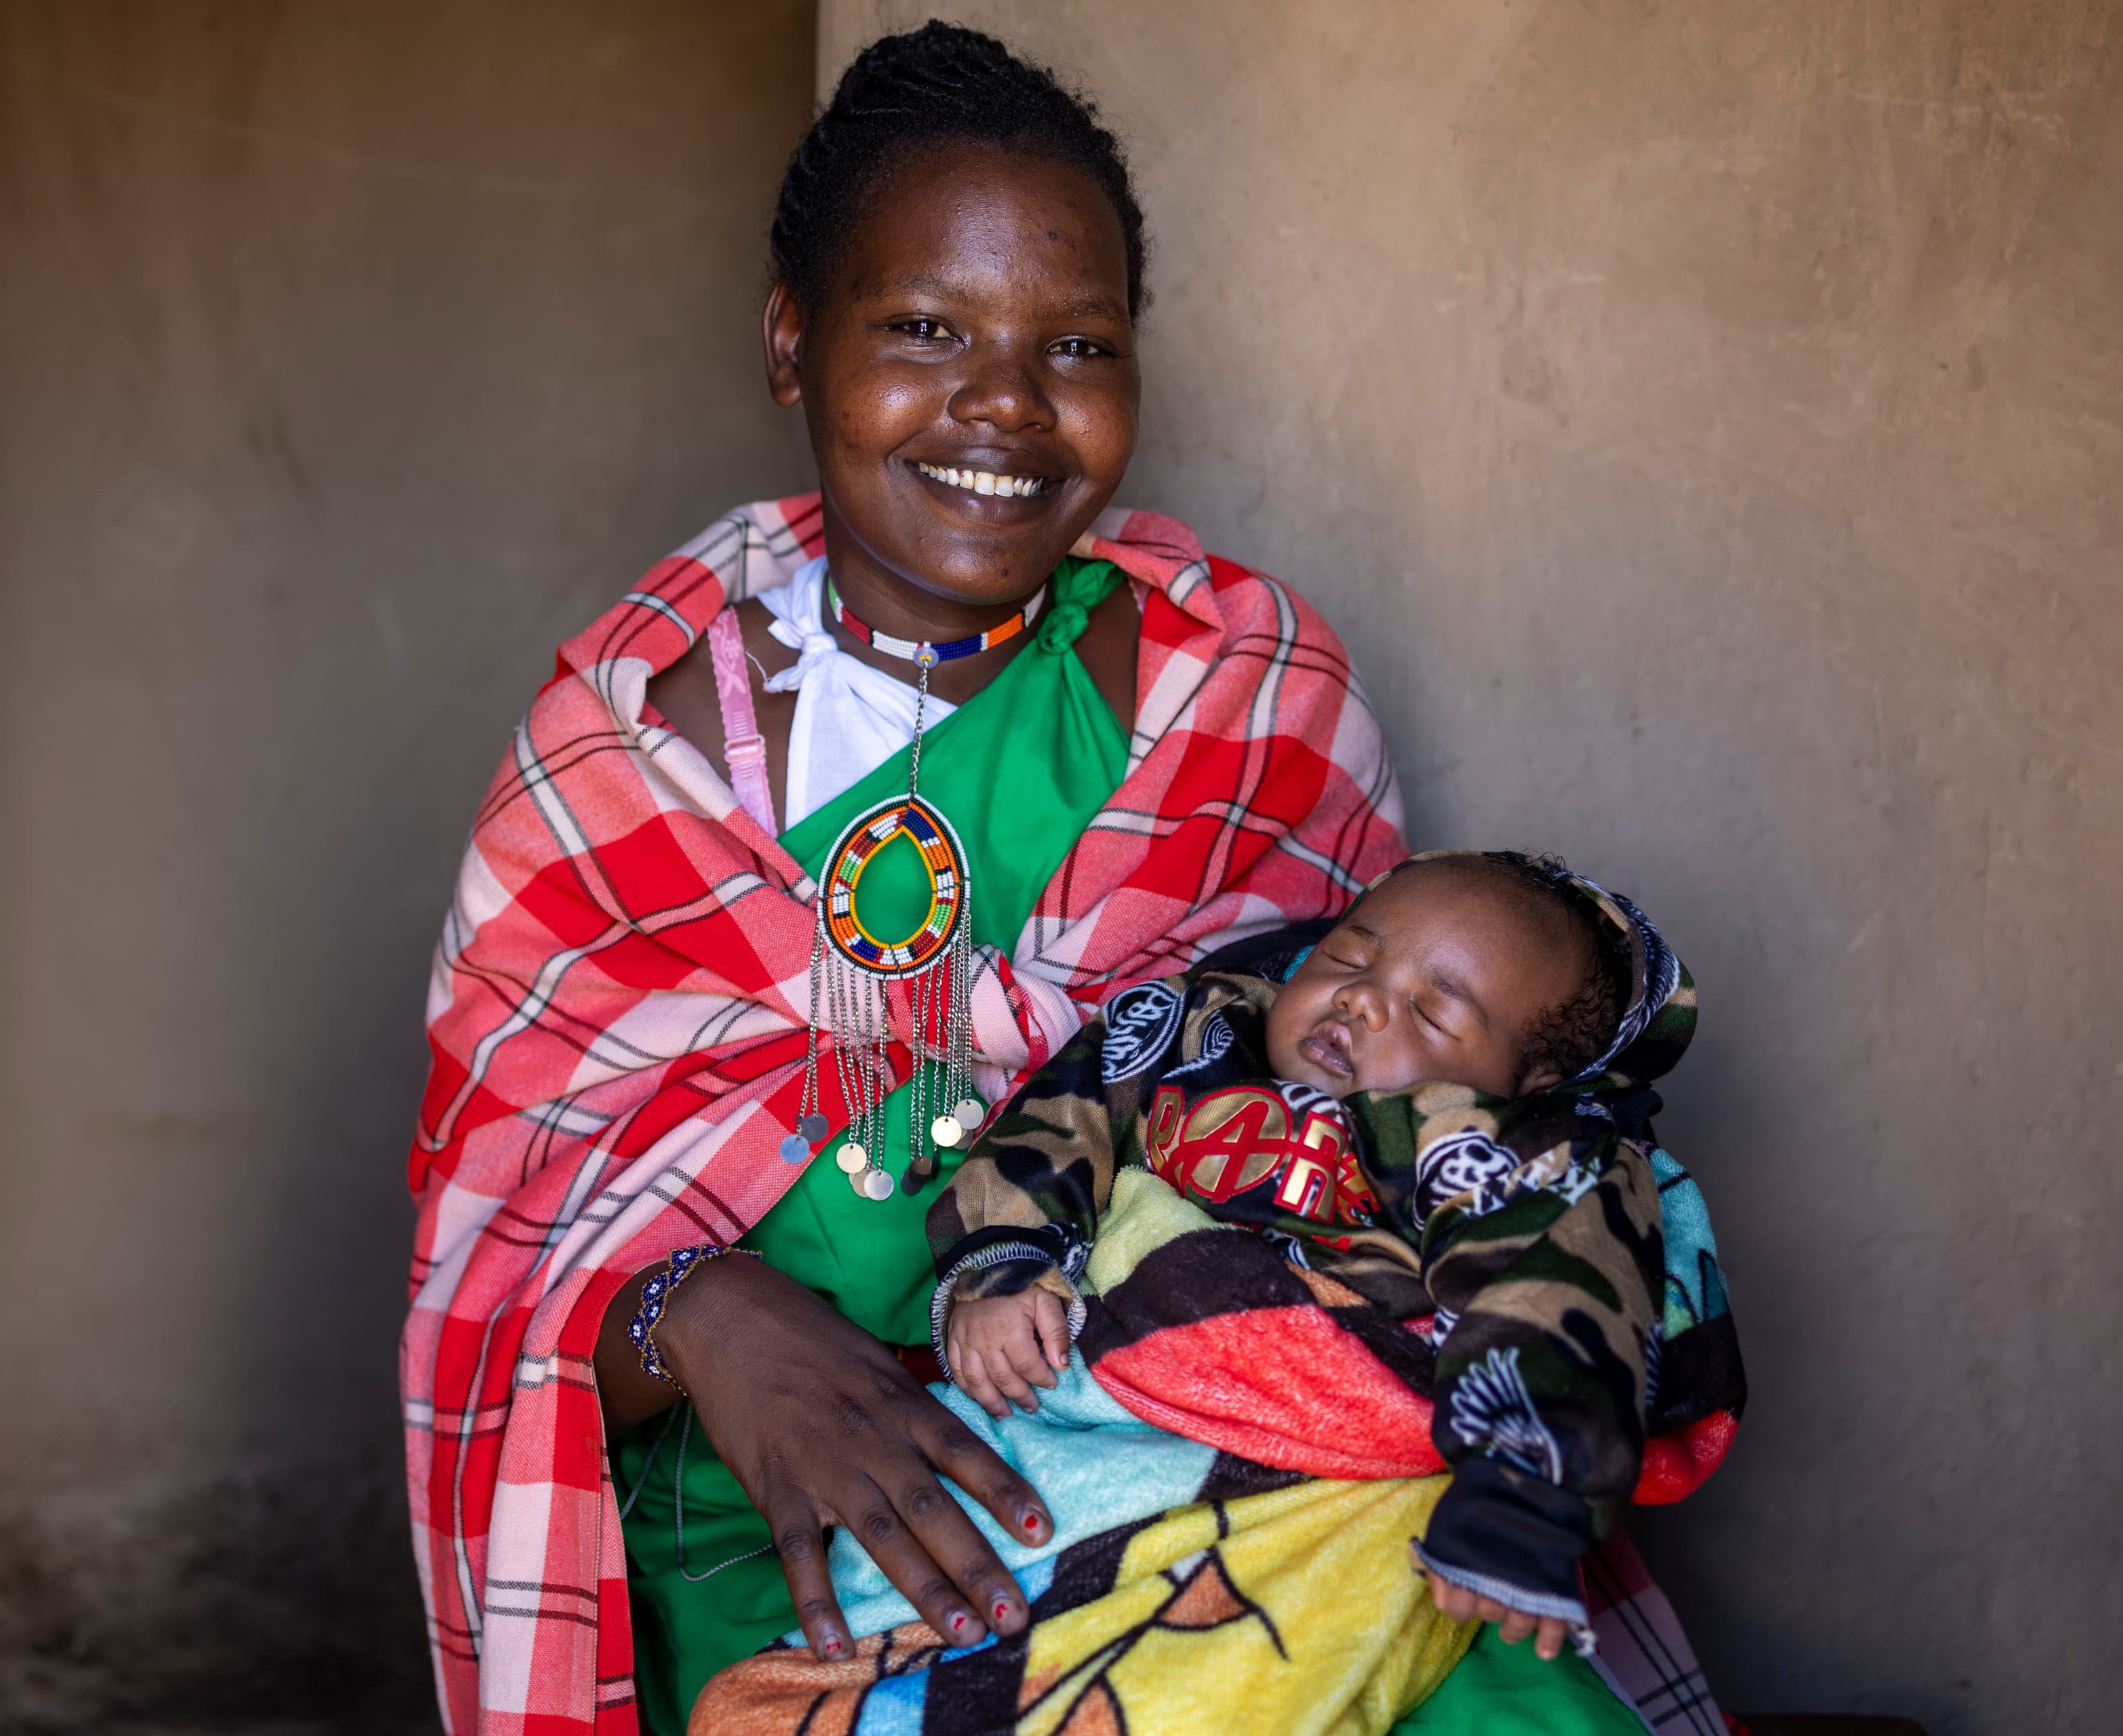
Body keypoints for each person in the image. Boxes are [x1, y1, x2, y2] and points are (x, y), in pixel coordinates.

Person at [404, 24, 1699, 1736]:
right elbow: (492, 1285)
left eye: (1074, 344)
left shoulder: (1247, 696)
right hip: (778, 1524)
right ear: (792, 342)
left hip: (1238, 1456)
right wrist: (697, 1313)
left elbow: (1420, 1153)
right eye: (925, 328)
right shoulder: (619, 753)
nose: (1004, 403)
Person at [932, 850, 1717, 1664]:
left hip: (1337, 1463)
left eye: (1434, 1014)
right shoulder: (1195, 1031)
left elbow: (1556, 1290)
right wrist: (1004, 1269)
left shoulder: (1507, 1149)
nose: (1362, 999)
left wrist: (1522, 1493)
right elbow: (1062, 1122)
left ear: (1530, 1084)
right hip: (1107, 1413)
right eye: (1348, 955)